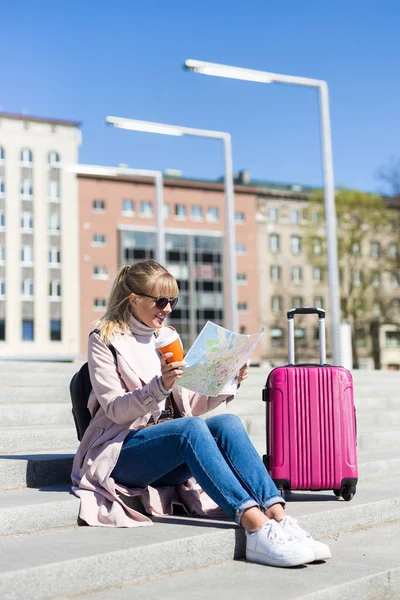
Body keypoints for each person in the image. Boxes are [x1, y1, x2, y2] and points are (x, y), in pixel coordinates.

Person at [71, 259, 331, 568]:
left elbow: (189, 404)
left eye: (172, 301)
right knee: (190, 428)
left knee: (228, 423)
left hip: (168, 450)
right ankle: (255, 526)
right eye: (161, 301)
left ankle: (279, 517)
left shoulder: (166, 337)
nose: (167, 308)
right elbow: (114, 409)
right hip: (121, 452)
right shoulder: (104, 339)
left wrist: (227, 378)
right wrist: (159, 386)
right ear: (134, 299)